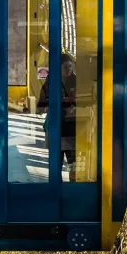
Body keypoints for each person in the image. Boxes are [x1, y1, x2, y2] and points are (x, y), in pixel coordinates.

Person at [37, 53, 78, 181]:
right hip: (57, 129)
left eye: (70, 67)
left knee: (74, 165)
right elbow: (41, 106)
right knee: (56, 165)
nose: (69, 70)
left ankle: (73, 187)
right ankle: (57, 190)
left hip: (72, 130)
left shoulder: (77, 81)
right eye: (65, 67)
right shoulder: (50, 84)